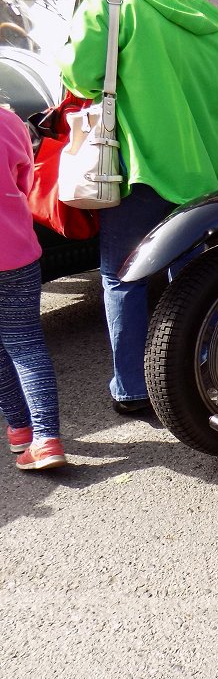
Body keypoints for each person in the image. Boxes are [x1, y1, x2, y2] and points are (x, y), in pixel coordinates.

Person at [59, 0, 218, 415]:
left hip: (138, 173)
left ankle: (131, 389)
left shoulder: (114, 0)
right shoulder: (217, 31)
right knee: (195, 279)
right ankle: (203, 374)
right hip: (203, 180)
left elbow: (80, 77)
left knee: (122, 279)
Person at [0, 105, 66, 470]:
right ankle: (45, 438)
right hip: (16, 250)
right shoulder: (8, 121)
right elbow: (26, 180)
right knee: (25, 344)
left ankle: (20, 428)